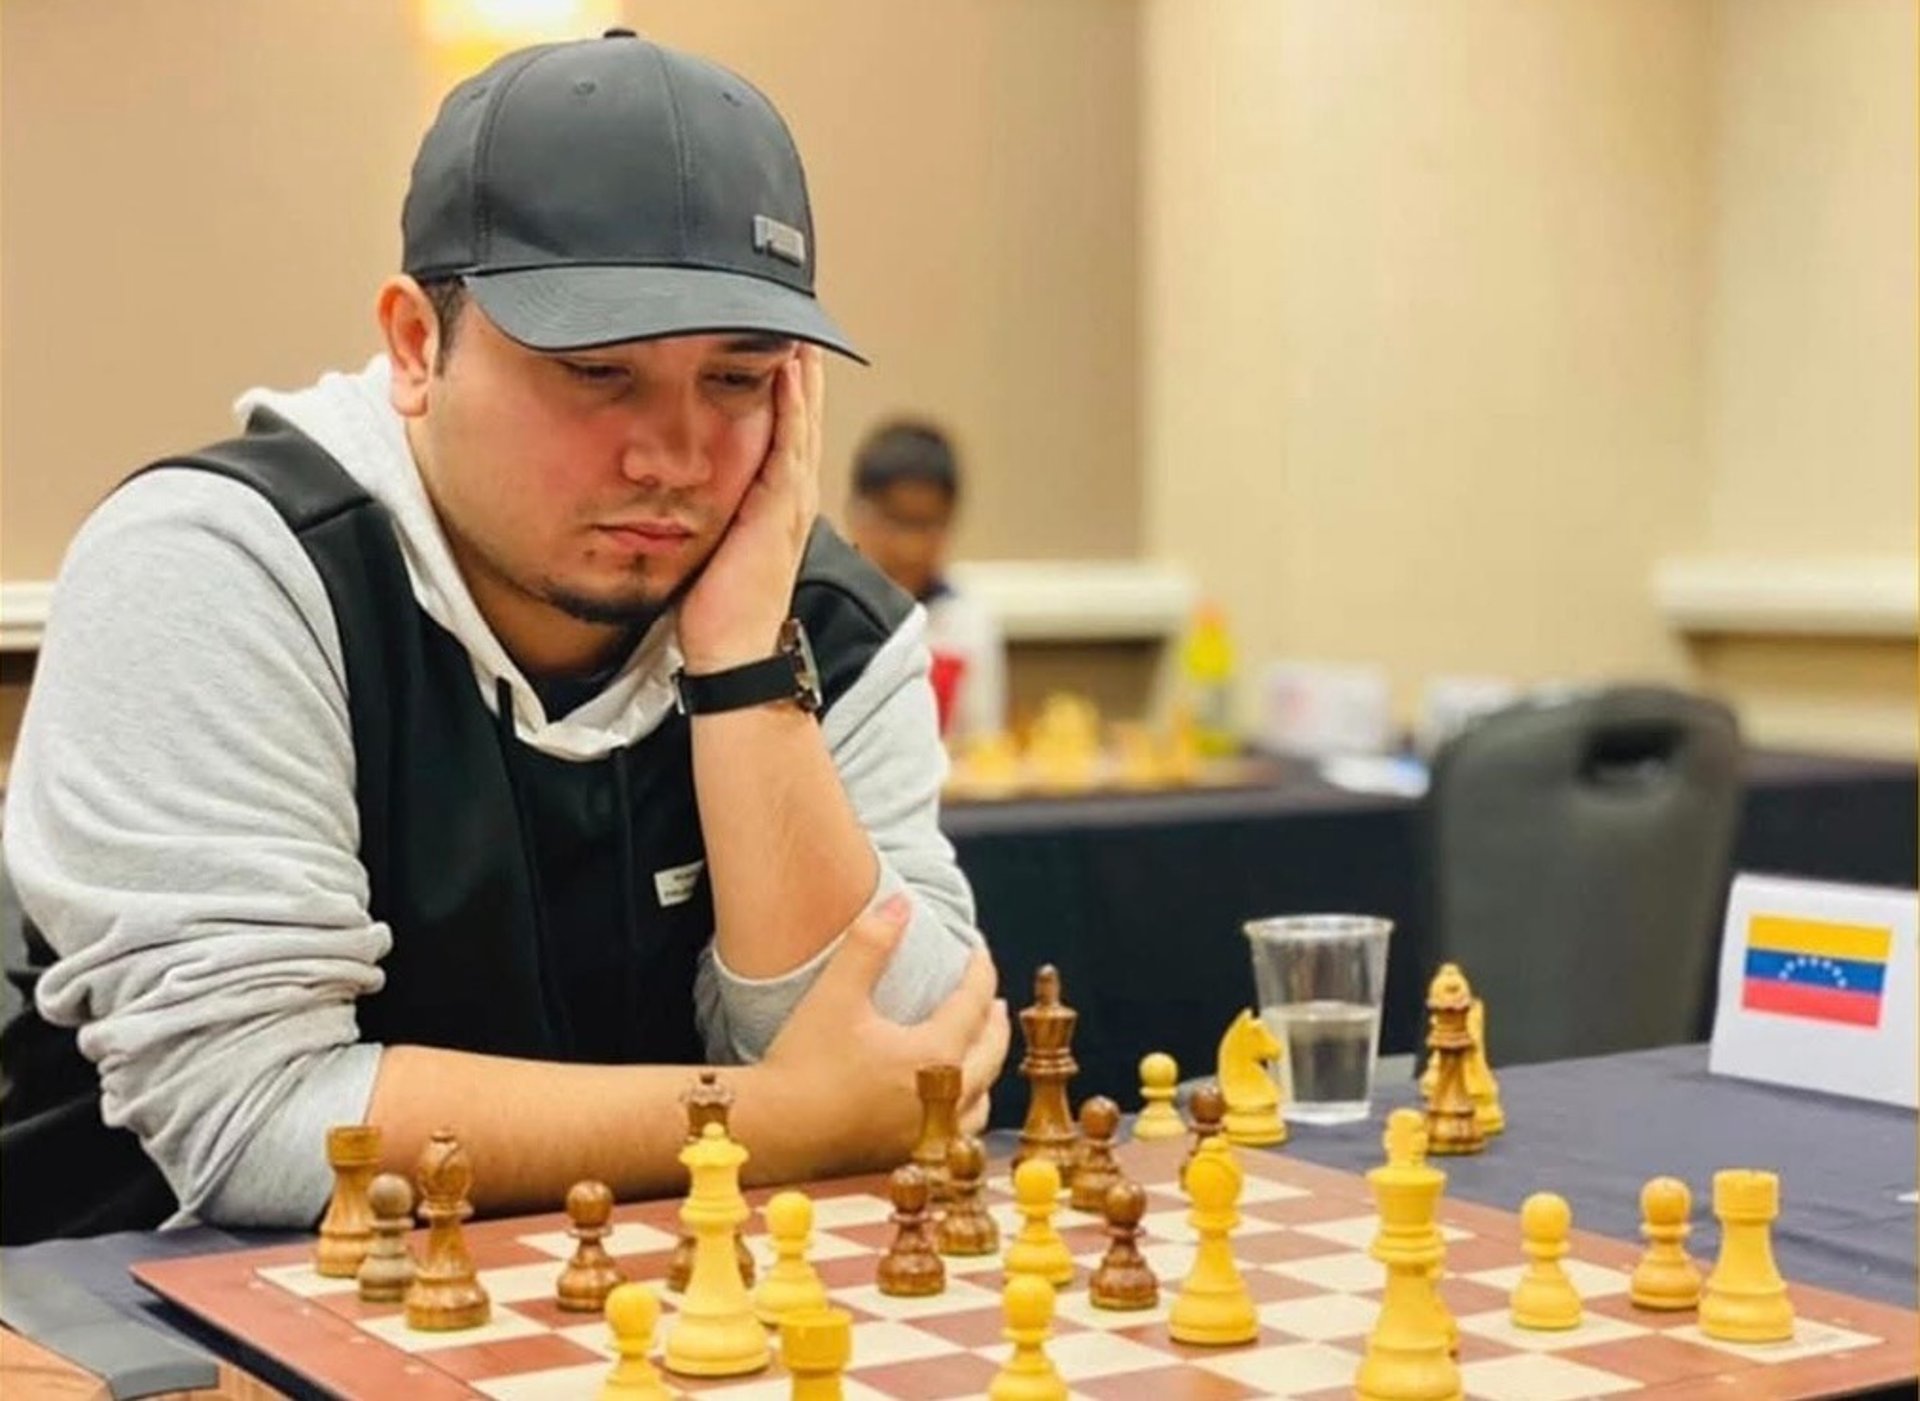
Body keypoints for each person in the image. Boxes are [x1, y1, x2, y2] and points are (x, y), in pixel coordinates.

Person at [0, 30, 1009, 1245]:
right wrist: (772, 1123)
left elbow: (905, 1065)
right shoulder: (218, 568)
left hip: (641, 1334)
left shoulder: (828, 630)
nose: (675, 459)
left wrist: (745, 665)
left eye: (737, 381)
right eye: (596, 372)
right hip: (149, 1332)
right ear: (418, 347)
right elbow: (258, 1122)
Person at [846, 421, 1006, 742]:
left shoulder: (968, 623)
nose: (911, 547)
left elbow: (983, 746)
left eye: (926, 525)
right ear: (857, 514)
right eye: (896, 521)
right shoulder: (828, 612)